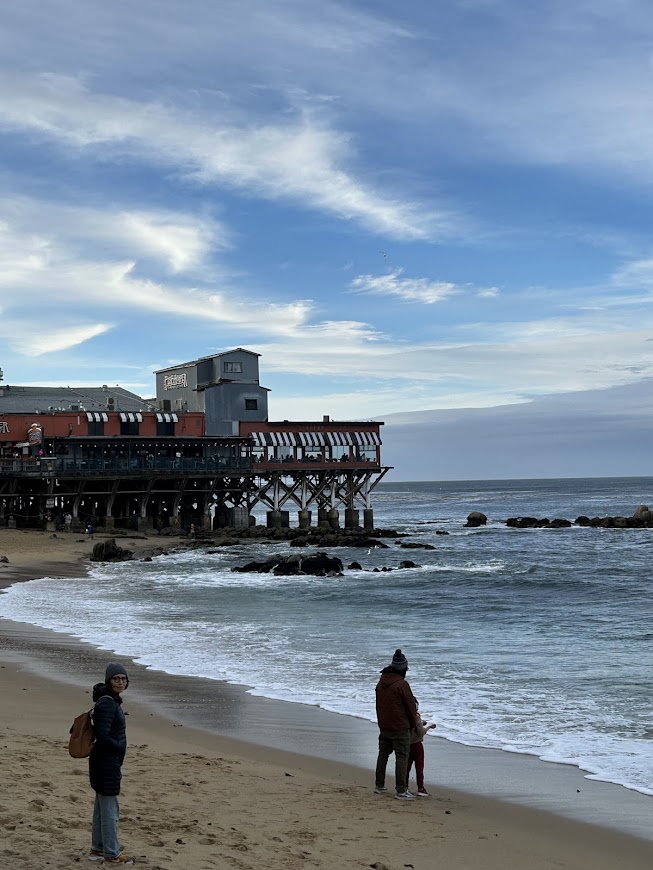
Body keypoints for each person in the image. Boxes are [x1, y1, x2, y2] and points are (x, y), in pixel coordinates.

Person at [88, 663, 134, 864]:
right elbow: (103, 735)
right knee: (109, 810)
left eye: (124, 679)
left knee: (101, 807)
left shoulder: (109, 701)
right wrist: (119, 747)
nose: (121, 682)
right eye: (116, 678)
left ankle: (97, 849)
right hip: (106, 762)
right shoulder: (107, 704)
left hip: (103, 761)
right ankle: (112, 854)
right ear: (109, 680)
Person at [374, 648, 418, 800]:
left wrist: (381, 721)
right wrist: (413, 724)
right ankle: (401, 790)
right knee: (402, 756)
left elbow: (379, 705)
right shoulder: (402, 684)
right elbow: (411, 707)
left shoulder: (381, 682)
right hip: (400, 727)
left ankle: (379, 785)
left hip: (384, 725)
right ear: (403, 669)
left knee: (383, 754)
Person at [407, 699, 436, 797]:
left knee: (406, 767)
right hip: (416, 745)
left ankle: (404, 786)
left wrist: (422, 723)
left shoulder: (405, 716)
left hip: (407, 744)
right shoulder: (416, 717)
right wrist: (429, 727)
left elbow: (414, 725)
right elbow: (421, 732)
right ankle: (420, 788)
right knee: (419, 767)